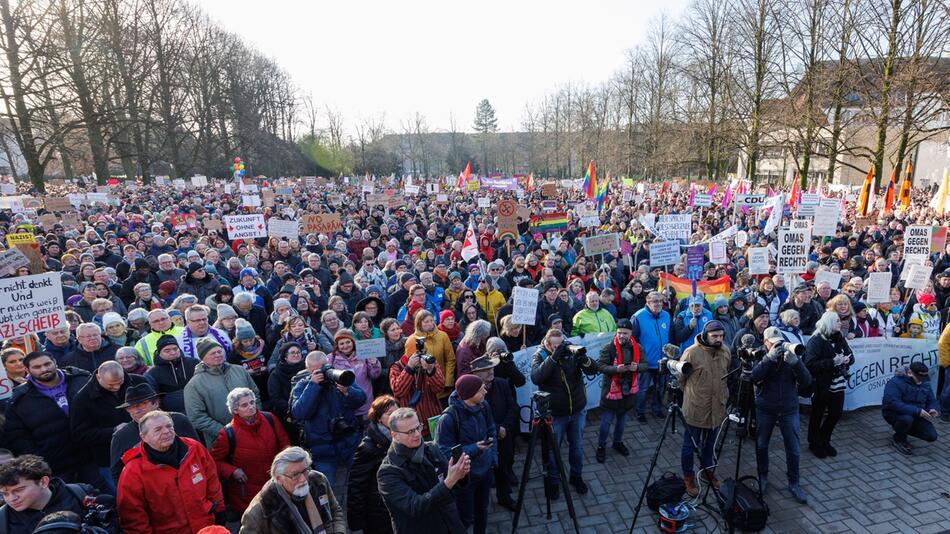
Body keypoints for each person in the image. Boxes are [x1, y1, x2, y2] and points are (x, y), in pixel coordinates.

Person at [117, 410, 224, 533]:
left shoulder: (194, 448)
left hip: (205, 526)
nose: (166, 431)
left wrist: (219, 509)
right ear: (143, 437)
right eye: (158, 429)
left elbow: (212, 481)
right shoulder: (134, 471)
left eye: (169, 426)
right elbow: (133, 516)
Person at [531, 328, 601, 496]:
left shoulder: (571, 350)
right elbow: (536, 377)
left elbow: (594, 369)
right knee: (554, 451)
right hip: (556, 413)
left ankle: (576, 477)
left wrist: (582, 358)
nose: (560, 348)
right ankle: (554, 481)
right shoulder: (540, 355)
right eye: (555, 346)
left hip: (577, 409)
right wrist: (554, 357)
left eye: (561, 344)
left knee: (577, 448)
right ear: (548, 344)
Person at [3, 351, 92, 483]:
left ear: (55, 362)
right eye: (37, 367)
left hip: (94, 456)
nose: (44, 369)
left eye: (47, 364)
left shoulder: (82, 380)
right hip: (57, 465)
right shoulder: (19, 400)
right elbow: (18, 437)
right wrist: (40, 460)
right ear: (27, 370)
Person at [376, 407, 469, 534]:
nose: (417, 434)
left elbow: (453, 484)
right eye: (410, 432)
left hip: (451, 524)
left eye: (418, 427)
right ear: (395, 435)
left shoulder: (431, 448)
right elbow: (415, 507)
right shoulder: (387, 472)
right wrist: (449, 482)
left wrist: (461, 474)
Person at [750, 327, 812, 503]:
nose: (777, 346)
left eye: (779, 342)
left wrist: (796, 363)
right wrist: (768, 360)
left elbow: (807, 381)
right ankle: (762, 477)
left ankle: (794, 482)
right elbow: (753, 377)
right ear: (765, 342)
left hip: (789, 408)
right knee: (761, 445)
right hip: (765, 408)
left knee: (794, 448)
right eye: (773, 343)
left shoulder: (790, 354)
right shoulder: (759, 355)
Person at [68, 361, 148, 495]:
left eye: (120, 381)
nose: (116, 387)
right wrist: (112, 431)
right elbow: (79, 434)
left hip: (148, 451)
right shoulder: (83, 399)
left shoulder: (138, 382)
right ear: (99, 377)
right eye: (111, 384)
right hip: (110, 459)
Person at [290, 350, 367, 487]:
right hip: (322, 447)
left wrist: (348, 391)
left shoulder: (339, 378)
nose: (322, 374)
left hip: (349, 440)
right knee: (326, 488)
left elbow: (361, 399)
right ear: (308, 370)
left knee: (359, 482)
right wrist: (313, 386)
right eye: (316, 371)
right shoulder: (302, 385)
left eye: (323, 368)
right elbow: (300, 413)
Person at [210, 387, 290, 514]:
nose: (251, 407)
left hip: (278, 483)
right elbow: (214, 461)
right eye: (245, 405)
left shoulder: (270, 419)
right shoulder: (228, 433)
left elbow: (284, 443)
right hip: (249, 494)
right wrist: (232, 471)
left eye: (252, 402)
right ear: (235, 410)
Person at [435, 374, 497, 534]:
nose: (485, 391)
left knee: (482, 511)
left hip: (485, 472)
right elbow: (444, 452)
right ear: (470, 394)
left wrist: (493, 457)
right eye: (480, 389)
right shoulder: (448, 418)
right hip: (464, 479)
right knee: (465, 517)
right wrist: (475, 448)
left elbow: (492, 430)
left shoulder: (484, 406)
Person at [239, 446, 346, 534]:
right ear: (279, 479)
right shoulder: (259, 511)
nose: (304, 479)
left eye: (305, 471)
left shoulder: (318, 480)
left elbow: (335, 511)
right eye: (295, 475)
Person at [679, 321, 730, 497]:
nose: (719, 339)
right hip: (695, 408)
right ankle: (688, 477)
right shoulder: (691, 353)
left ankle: (707, 472)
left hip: (717, 408)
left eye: (721, 336)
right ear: (706, 335)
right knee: (689, 445)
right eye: (714, 336)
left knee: (710, 445)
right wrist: (695, 395)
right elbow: (681, 379)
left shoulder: (725, 351)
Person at [110, 382, 198, 484]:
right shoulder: (121, 436)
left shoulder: (179, 421)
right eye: (130, 407)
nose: (136, 411)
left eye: (142, 405)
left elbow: (198, 453)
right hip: (154, 494)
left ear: (156, 403)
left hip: (190, 484)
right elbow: (118, 475)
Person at [184, 337, 261, 446]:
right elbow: (197, 417)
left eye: (219, 351)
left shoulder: (239, 370)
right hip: (224, 441)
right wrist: (227, 432)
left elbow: (255, 394)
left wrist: (256, 417)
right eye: (213, 353)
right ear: (203, 358)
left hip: (254, 429)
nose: (218, 355)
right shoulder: (194, 385)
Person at [804, 311, 854, 459]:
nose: (840, 323)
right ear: (829, 323)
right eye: (837, 321)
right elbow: (809, 364)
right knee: (817, 414)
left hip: (838, 382)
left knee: (836, 413)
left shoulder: (839, 337)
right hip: (821, 383)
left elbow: (851, 356)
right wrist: (832, 362)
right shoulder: (816, 340)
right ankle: (814, 442)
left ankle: (824, 439)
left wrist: (846, 360)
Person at [595, 318, 647, 463]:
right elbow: (600, 366)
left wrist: (636, 367)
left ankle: (617, 442)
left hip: (628, 390)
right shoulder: (608, 347)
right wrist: (616, 369)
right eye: (619, 332)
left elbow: (645, 364)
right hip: (610, 391)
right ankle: (601, 446)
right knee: (606, 423)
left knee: (622, 421)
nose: (621, 335)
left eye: (625, 333)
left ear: (631, 333)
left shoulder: (638, 348)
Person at [0, 455, 94, 534]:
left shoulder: (81, 494)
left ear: (43, 482)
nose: (12, 499)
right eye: (4, 493)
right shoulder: (3, 520)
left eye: (19, 490)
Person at [346, 395, 397, 534]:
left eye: (396, 412)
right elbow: (356, 485)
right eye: (390, 414)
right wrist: (356, 524)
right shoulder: (369, 447)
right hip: (379, 512)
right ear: (379, 418)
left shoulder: (402, 437)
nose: (395, 417)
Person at [631, 291, 672, 422]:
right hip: (645, 362)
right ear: (647, 303)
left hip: (663, 361)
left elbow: (670, 336)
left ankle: (657, 409)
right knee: (642, 389)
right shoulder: (638, 317)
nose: (659, 304)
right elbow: (632, 340)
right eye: (655, 301)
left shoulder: (666, 315)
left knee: (660, 388)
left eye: (661, 301)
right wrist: (638, 358)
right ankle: (640, 412)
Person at [882, 362, 939, 455]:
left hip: (916, 414)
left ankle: (903, 429)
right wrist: (917, 411)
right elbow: (892, 403)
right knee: (906, 420)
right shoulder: (895, 382)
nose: (921, 381)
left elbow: (931, 400)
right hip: (894, 413)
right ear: (909, 373)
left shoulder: (925, 383)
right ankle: (899, 439)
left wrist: (933, 409)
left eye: (923, 378)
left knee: (932, 436)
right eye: (919, 378)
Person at [403, 310, 456, 401]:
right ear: (419, 323)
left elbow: (450, 359)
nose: (430, 323)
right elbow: (408, 364)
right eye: (426, 321)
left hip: (441, 384)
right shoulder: (412, 339)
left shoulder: (443, 336)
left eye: (431, 320)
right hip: (423, 389)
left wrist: (448, 382)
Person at [143, 334, 197, 413]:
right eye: (167, 350)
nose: (172, 352)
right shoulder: (152, 373)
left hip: (200, 407)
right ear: (159, 353)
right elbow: (152, 399)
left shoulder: (194, 363)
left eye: (175, 349)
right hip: (172, 414)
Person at [268, 341, 306, 443]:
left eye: (298, 352)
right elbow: (275, 397)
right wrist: (293, 409)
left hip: (308, 413)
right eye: (292, 353)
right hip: (287, 416)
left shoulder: (307, 369)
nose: (296, 355)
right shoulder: (276, 374)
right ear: (285, 356)